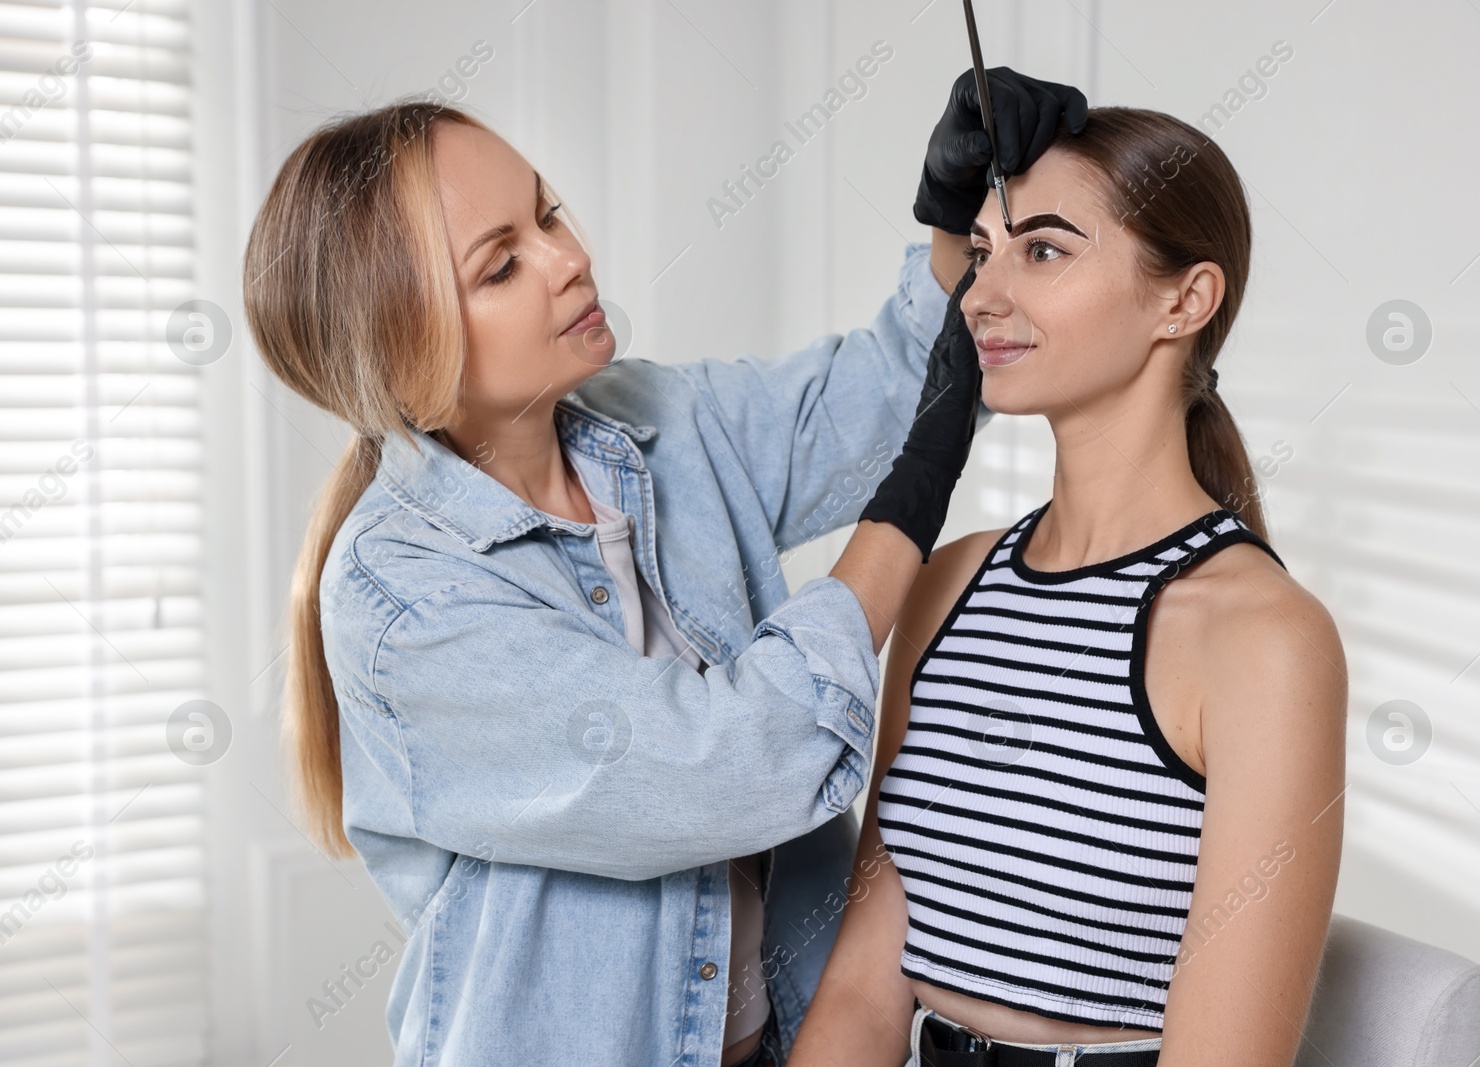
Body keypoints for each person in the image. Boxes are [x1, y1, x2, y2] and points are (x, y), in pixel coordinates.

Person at [241, 69, 1085, 1067]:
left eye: (548, 213)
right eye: (501, 264)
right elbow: (729, 764)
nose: (569, 257)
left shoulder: (660, 423)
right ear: (399, 341)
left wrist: (954, 218)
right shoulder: (406, 601)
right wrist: (902, 519)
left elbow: (884, 396)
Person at [790, 107, 1347, 1067]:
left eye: (1043, 251)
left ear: (1186, 300)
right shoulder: (949, 583)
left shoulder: (1262, 638)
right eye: (981, 250)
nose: (977, 297)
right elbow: (861, 988)